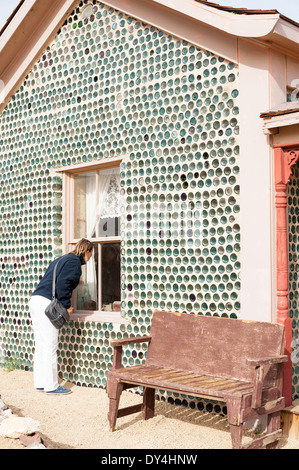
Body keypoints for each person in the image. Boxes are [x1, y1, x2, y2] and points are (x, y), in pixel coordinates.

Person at [29, 239, 93, 395]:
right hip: (46, 303)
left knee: (41, 345)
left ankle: (40, 382)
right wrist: (66, 306)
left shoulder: (61, 259)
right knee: (50, 345)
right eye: (91, 253)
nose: (91, 257)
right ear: (87, 251)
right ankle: (51, 386)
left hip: (35, 300)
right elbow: (63, 284)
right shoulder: (74, 263)